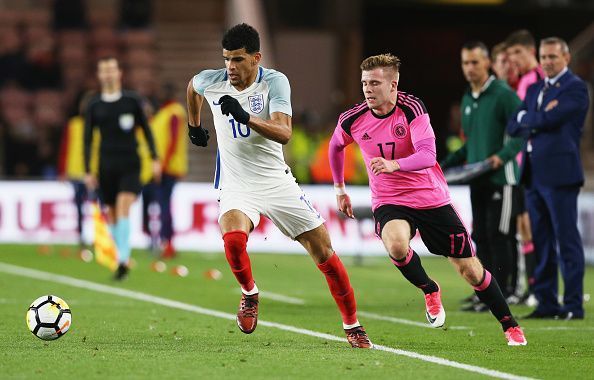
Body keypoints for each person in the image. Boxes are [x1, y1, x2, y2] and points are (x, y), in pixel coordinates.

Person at [186, 23, 372, 348]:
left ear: (256, 58)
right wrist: (194, 125)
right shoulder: (211, 80)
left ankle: (352, 324)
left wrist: (246, 117)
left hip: (276, 181)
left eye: (238, 60)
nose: (230, 67)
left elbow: (285, 133)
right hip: (237, 184)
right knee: (232, 238)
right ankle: (249, 294)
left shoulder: (274, 81)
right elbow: (192, 87)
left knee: (324, 252)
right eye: (227, 59)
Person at [329, 53, 526, 346]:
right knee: (396, 245)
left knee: (470, 269)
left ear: (393, 84)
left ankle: (509, 325)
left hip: (429, 197)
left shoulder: (412, 108)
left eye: (374, 83)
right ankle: (430, 289)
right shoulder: (353, 118)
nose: (367, 90)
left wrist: (395, 164)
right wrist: (340, 189)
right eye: (364, 83)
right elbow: (336, 147)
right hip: (389, 198)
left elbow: (428, 155)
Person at [507, 37, 589, 320]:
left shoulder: (575, 88)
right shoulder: (533, 89)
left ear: (566, 58)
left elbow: (547, 121)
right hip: (533, 175)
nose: (548, 61)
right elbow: (513, 124)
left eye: (553, 56)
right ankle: (546, 302)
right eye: (544, 57)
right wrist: (535, 116)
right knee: (541, 240)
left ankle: (573, 304)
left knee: (566, 240)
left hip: (560, 175)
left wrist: (528, 118)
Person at [441, 42, 523, 311]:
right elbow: (469, 144)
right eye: (465, 63)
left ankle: (504, 291)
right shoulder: (468, 98)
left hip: (502, 178)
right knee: (482, 235)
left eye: (475, 62)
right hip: (478, 179)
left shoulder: (503, 94)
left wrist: (504, 155)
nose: (470, 68)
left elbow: (523, 131)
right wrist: (440, 165)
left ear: (487, 63)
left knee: (500, 235)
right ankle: (486, 291)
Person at [84, 57, 161, 280]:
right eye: (103, 70)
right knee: (112, 212)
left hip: (130, 162)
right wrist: (89, 170)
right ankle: (121, 257)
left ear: (119, 73)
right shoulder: (94, 105)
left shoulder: (132, 100)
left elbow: (146, 130)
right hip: (106, 164)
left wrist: (154, 158)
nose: (108, 74)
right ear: (100, 75)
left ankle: (123, 259)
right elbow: (88, 139)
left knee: (123, 205)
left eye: (111, 70)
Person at [506, 29, 544, 304]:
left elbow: (531, 121)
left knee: (535, 226)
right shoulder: (523, 81)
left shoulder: (539, 80)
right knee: (524, 227)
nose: (514, 60)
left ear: (531, 50)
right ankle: (531, 286)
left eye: (517, 53)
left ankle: (540, 287)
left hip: (535, 163)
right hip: (520, 165)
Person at [141, 83, 188, 259]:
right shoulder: (163, 113)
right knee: (157, 205)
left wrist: (162, 165)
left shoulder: (174, 112)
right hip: (155, 169)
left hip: (167, 168)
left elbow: (172, 141)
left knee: (163, 205)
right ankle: (158, 240)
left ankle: (167, 242)